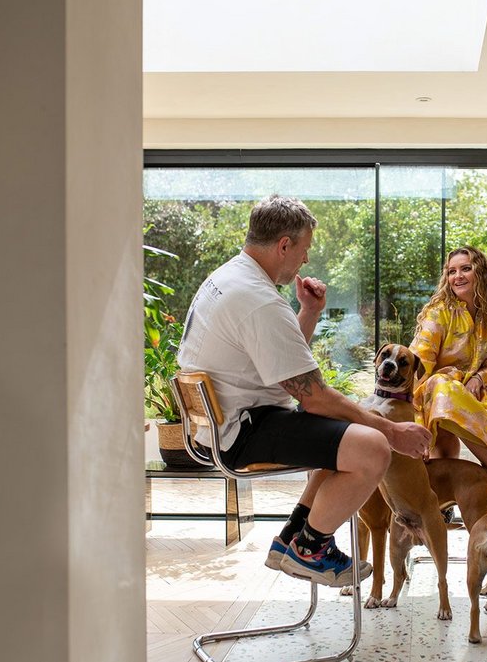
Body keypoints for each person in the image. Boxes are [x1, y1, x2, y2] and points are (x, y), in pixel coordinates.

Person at [177, 195, 431, 587]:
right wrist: (394, 433)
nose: (306, 260)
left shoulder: (229, 279)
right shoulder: (259, 300)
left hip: (226, 425)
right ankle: (311, 550)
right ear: (284, 245)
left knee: (340, 437)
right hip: (244, 432)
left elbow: (284, 362)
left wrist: (309, 312)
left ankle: (291, 539)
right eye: (305, 249)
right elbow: (314, 396)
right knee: (372, 448)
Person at [410, 245, 487, 498]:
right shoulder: (440, 312)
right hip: (437, 393)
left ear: (481, 272)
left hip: (481, 389)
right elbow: (418, 364)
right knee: (441, 386)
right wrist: (414, 422)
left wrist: (483, 376)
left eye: (465, 269)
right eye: (451, 271)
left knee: (452, 438)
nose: (457, 276)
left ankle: (445, 501)